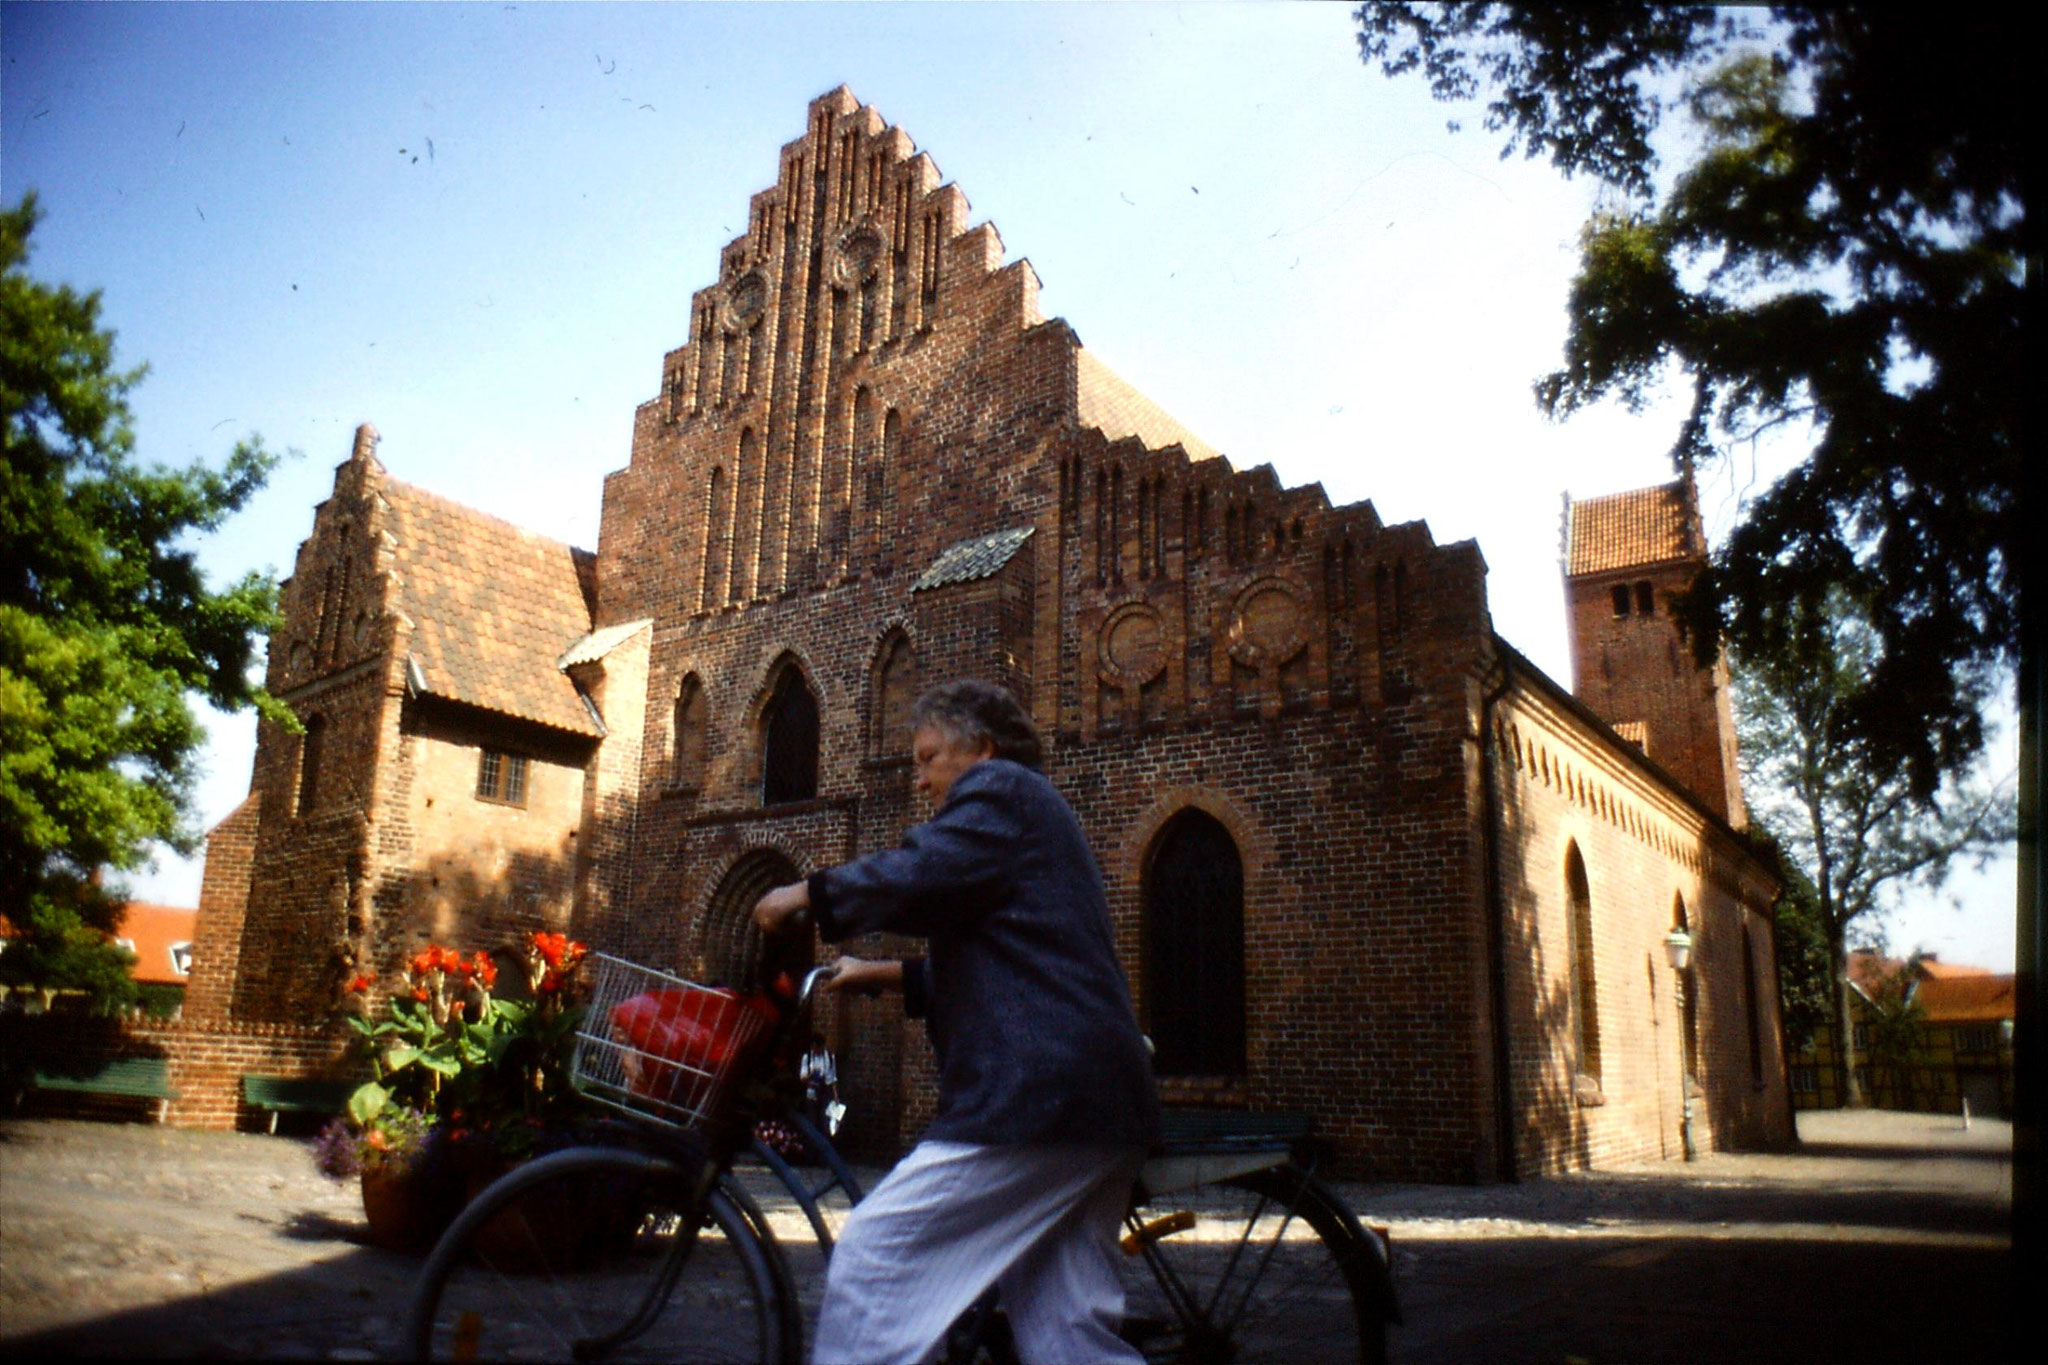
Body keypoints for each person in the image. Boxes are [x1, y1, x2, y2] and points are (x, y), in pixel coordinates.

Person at [753, 679, 1160, 1365]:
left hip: (1038, 1098)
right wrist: (876, 973)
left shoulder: (1003, 791)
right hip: (1094, 1099)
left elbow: (921, 871)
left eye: (928, 757)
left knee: (876, 1257)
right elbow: (1004, 969)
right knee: (1068, 1336)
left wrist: (807, 893)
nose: (918, 779)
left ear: (983, 750)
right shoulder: (1025, 821)